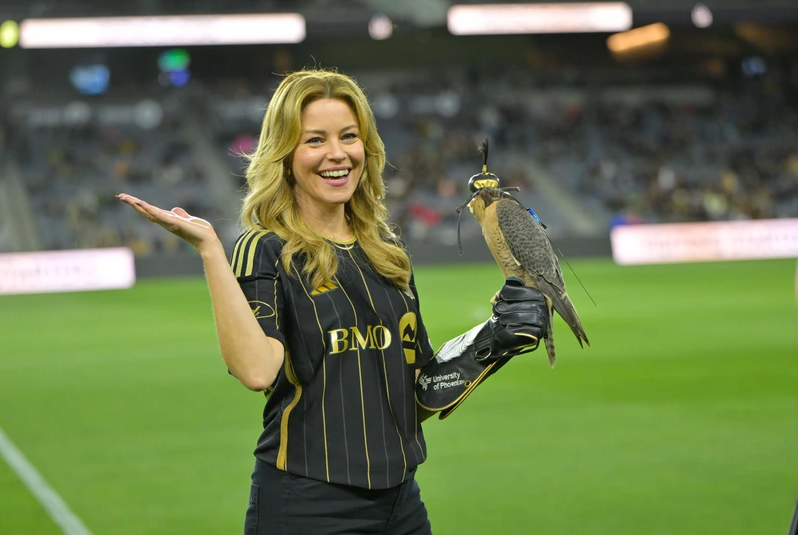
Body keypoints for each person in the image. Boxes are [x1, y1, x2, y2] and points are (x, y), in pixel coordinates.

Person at [117, 67, 549, 535]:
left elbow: (418, 392)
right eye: (314, 140)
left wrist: (491, 342)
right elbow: (256, 371)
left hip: (402, 506)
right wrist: (209, 250)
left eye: (349, 136)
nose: (337, 154)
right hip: (307, 506)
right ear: (284, 155)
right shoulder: (265, 248)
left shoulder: (387, 252)